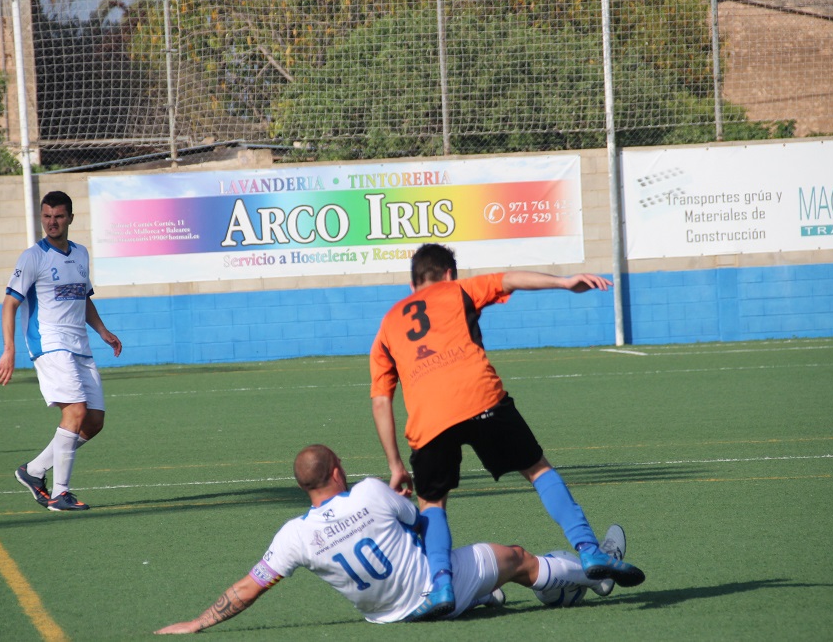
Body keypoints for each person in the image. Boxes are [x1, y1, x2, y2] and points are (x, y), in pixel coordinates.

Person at [369, 243, 645, 619]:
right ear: (448, 274)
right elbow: (510, 279)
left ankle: (442, 585)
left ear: (413, 282)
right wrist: (565, 282)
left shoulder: (387, 324)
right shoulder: (458, 289)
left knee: (432, 504)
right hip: (481, 398)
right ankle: (589, 550)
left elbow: (380, 400)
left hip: (429, 421)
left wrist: (395, 464)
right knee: (538, 470)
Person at [155, 445, 623, 634]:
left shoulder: (293, 535)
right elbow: (422, 526)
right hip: (432, 593)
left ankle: (508, 593)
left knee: (475, 572)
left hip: (385, 616)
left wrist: (198, 622)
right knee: (516, 557)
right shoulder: (369, 491)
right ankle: (597, 575)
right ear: (336, 472)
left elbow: (249, 586)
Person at [0, 190, 122, 511]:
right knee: (75, 411)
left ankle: (34, 470)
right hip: (49, 344)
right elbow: (9, 304)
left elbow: (82, 297)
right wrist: (9, 349)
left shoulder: (81, 254)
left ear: (70, 218)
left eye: (59, 216)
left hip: (80, 346)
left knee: (93, 421)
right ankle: (60, 494)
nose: (52, 222)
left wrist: (102, 330)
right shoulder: (32, 257)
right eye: (47, 216)